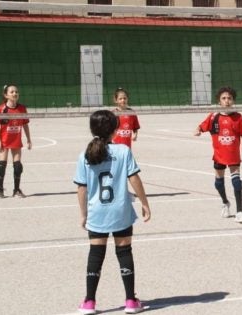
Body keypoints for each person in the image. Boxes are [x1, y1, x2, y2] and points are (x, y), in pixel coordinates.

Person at [74, 110, 151, 315]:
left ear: (92, 129)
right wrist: (145, 203)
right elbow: (134, 179)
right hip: (120, 210)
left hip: (97, 212)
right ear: (116, 129)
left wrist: (83, 214)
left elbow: (81, 188)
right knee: (124, 252)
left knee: (96, 254)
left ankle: (89, 302)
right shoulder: (123, 151)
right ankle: (130, 301)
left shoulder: (84, 155)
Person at [194, 86, 242, 224]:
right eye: (224, 98)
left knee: (237, 181)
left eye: (229, 98)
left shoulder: (238, 117)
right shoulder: (214, 116)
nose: (227, 101)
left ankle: (239, 212)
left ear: (233, 100)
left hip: (233, 155)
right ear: (219, 101)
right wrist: (198, 131)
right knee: (218, 183)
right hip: (219, 155)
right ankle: (225, 202)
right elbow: (201, 126)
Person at [0, 84, 32, 198]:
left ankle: (17, 190)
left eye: (16, 91)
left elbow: (25, 125)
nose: (15, 93)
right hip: (4, 140)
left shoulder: (22, 109)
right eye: (12, 92)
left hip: (16, 140)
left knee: (18, 165)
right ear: (6, 95)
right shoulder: (1, 109)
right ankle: (0, 190)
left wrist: (29, 139)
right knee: (2, 164)